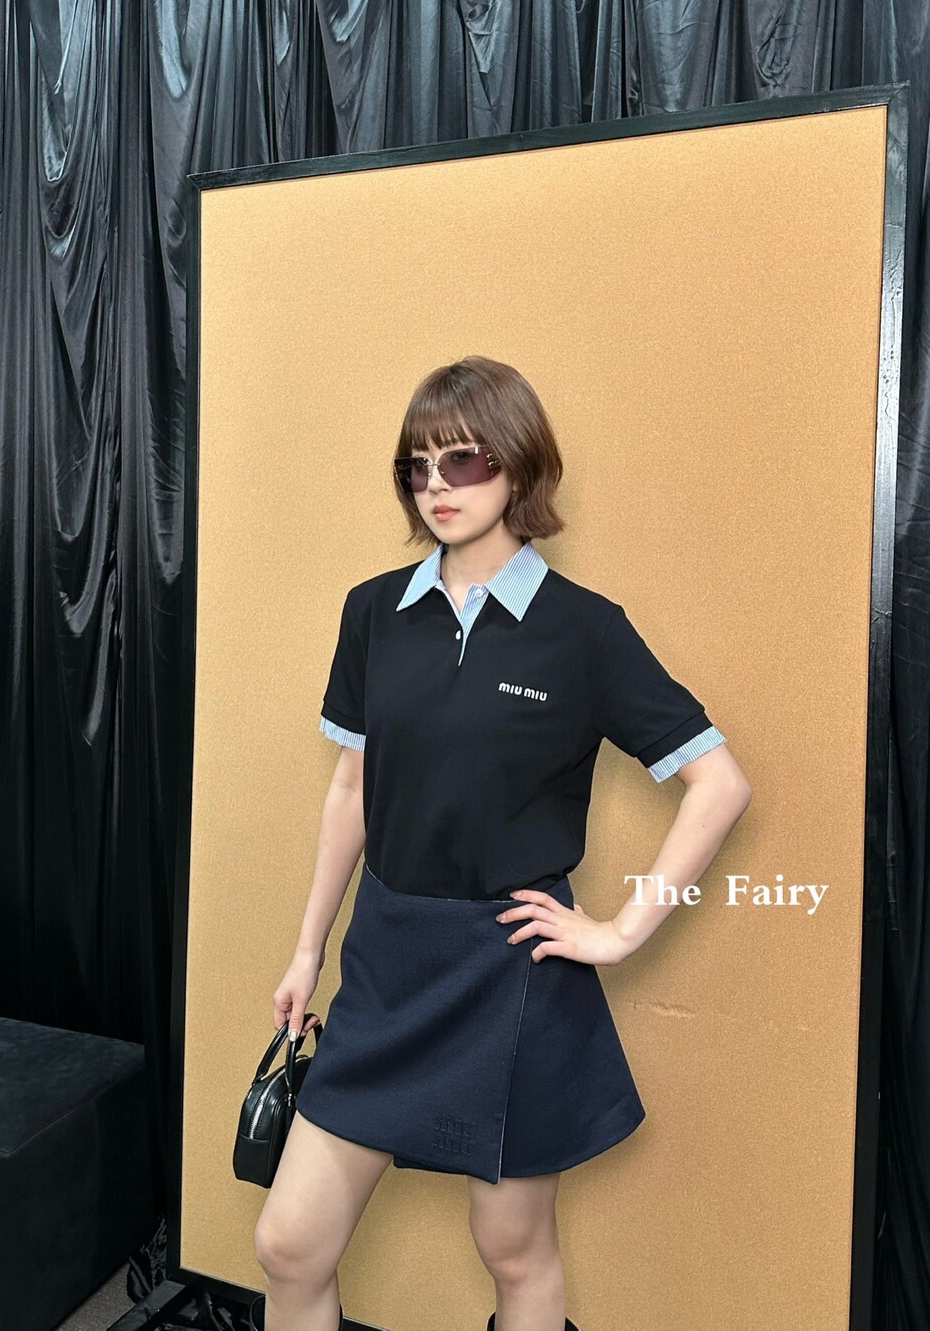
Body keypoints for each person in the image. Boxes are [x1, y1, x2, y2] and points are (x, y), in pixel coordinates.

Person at [251, 356, 752, 1331]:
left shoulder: (584, 631)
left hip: (512, 971)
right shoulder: (372, 612)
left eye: (464, 460)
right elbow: (352, 787)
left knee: (513, 1247)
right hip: (387, 961)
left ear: (519, 467)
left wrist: (620, 931)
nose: (436, 485)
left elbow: (718, 784)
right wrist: (308, 949)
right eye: (418, 465)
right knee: (289, 1243)